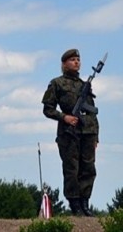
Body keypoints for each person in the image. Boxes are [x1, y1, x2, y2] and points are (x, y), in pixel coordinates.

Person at [41, 48, 99, 216]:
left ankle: (85, 203)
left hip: (87, 132)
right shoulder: (57, 83)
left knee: (88, 168)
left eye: (78, 59)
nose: (76, 62)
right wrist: (64, 117)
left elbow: (92, 111)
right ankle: (75, 205)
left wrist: (96, 136)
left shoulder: (84, 85)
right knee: (71, 170)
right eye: (73, 59)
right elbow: (48, 109)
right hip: (68, 133)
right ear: (64, 63)